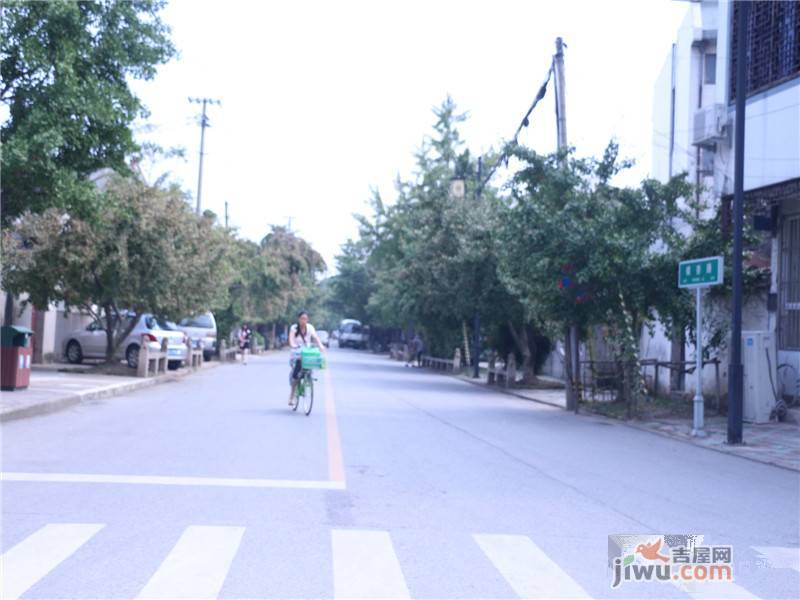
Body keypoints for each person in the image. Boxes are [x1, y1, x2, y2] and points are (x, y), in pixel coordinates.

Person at [288, 311, 325, 405]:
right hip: (296, 352)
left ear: (307, 319)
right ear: (298, 319)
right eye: (302, 318)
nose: (303, 320)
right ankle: (292, 395)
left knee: (310, 364)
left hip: (306, 352)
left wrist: (320, 345)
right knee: (296, 376)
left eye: (305, 319)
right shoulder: (294, 328)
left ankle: (308, 378)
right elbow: (291, 339)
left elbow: (316, 337)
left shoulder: (310, 328)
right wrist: (293, 345)